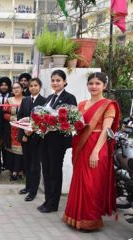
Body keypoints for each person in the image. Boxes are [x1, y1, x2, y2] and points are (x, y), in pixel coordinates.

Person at [63, 72, 120, 230]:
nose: (94, 86)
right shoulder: (81, 104)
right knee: (79, 182)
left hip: (97, 147)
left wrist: (95, 152)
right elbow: (78, 125)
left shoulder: (108, 105)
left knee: (91, 185)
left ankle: (90, 220)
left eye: (97, 83)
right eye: (91, 83)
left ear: (104, 86)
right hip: (81, 146)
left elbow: (106, 131)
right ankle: (74, 217)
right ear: (87, 85)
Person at [38, 69, 77, 213]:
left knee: (55, 170)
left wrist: (54, 121)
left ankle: (53, 204)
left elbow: (71, 118)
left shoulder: (69, 98)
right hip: (45, 138)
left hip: (58, 139)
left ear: (64, 82)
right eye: (53, 80)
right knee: (46, 170)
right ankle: (47, 200)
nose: (55, 83)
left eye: (58, 80)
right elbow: (40, 115)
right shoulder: (49, 98)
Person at [17, 78, 46, 201]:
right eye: (31, 86)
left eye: (36, 85)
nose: (33, 88)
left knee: (35, 165)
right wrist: (23, 133)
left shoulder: (44, 101)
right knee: (27, 164)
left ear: (40, 87)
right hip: (25, 138)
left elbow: (45, 120)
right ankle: (28, 187)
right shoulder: (25, 100)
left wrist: (33, 131)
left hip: (38, 138)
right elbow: (20, 117)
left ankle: (33, 191)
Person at [3, 82, 24, 181]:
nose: (16, 90)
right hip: (11, 129)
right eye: (14, 88)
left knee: (21, 151)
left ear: (22, 89)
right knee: (13, 151)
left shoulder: (27, 100)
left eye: (18, 88)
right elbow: (4, 113)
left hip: (24, 128)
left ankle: (20, 170)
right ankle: (13, 171)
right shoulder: (9, 100)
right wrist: (11, 117)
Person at [0, 77, 13, 172]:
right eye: (2, 85)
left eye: (6, 85)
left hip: (8, 124)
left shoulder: (12, 96)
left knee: (7, 145)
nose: (4, 87)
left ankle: (7, 165)